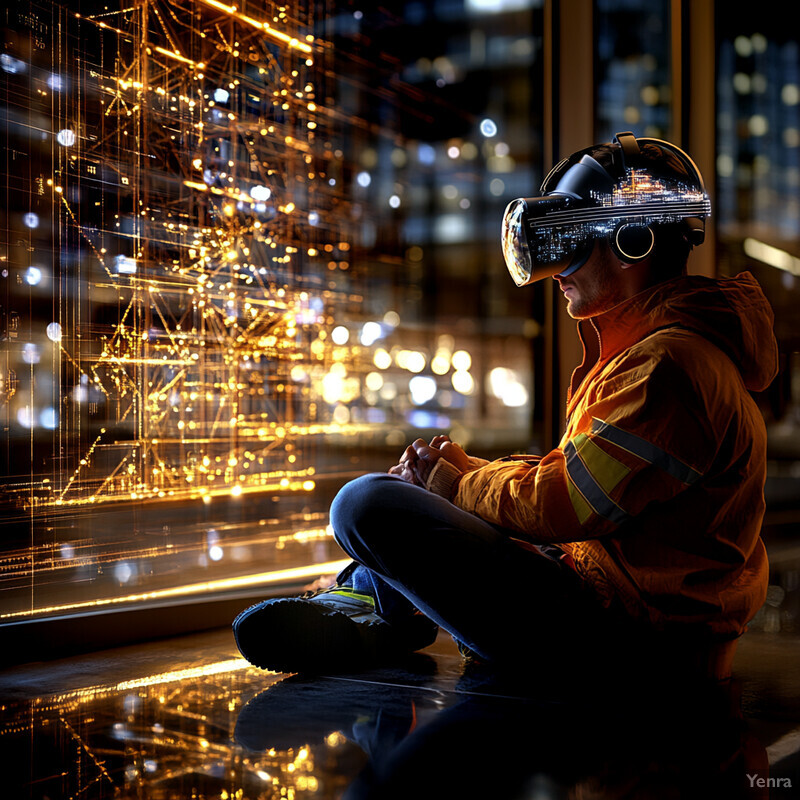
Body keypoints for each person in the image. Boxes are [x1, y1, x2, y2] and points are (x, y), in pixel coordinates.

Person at [232, 132, 778, 680]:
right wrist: (463, 473)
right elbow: (583, 490)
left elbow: (564, 504)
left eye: (570, 239)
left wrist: (453, 485)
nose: (556, 266)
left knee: (363, 503)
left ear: (632, 241)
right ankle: (371, 604)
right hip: (620, 609)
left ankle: (377, 610)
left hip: (628, 643)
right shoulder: (662, 355)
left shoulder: (668, 368)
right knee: (420, 496)